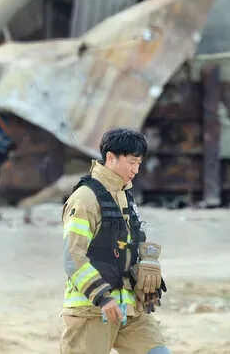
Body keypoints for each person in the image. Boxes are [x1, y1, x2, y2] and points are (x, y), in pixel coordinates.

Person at [60, 127, 170, 354]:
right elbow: (73, 256)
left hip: (130, 309)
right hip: (92, 310)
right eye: (132, 162)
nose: (136, 170)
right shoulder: (85, 199)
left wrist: (146, 262)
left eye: (139, 163)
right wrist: (102, 298)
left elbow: (124, 245)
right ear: (111, 157)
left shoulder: (124, 195)